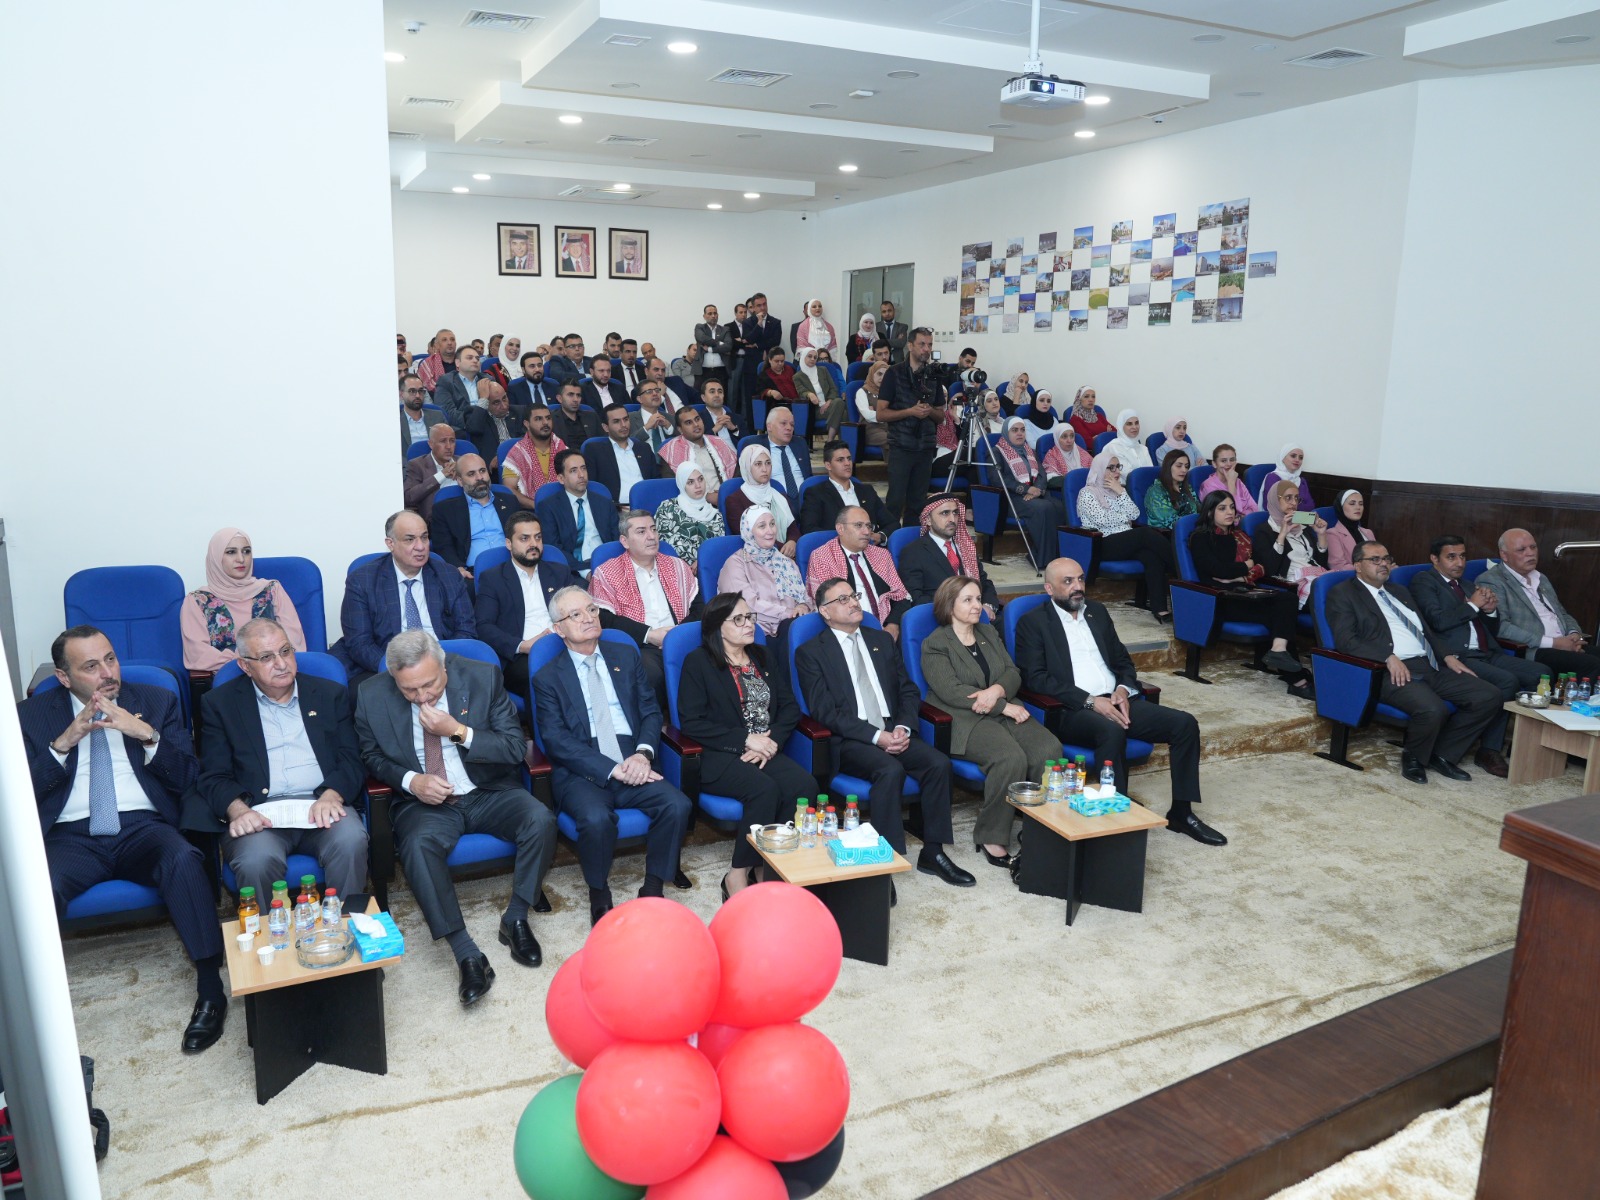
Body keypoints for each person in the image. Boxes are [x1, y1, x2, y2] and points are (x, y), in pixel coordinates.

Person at [19, 625, 228, 1053]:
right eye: (91, 666)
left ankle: (211, 991)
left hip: (142, 827)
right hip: (70, 836)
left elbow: (189, 778)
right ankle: (32, 1015)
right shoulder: (30, 716)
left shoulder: (156, 701)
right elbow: (18, 796)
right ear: (63, 677)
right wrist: (62, 744)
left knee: (183, 859)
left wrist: (145, 734)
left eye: (110, 659)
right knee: (33, 890)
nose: (107, 673)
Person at [355, 630, 557, 1003]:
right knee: (417, 846)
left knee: (540, 819)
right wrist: (411, 781)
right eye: (409, 690)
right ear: (394, 678)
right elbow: (371, 757)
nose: (422, 697)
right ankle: (466, 952)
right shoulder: (371, 695)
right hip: (424, 803)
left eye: (429, 685)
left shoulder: (483, 677)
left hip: (488, 790)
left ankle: (515, 917)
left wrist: (458, 731)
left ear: (444, 665)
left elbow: (514, 748)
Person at [1016, 559, 1226, 845]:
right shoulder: (1033, 622)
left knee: (1184, 724)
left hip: (1117, 700)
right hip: (1071, 709)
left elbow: (1122, 661)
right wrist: (1091, 701)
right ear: (1049, 588)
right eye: (1068, 581)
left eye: (1080, 579)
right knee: (1111, 729)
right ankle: (1115, 817)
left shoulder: (1098, 612)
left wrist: (1123, 690)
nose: (1078, 586)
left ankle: (1182, 812)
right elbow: (1036, 678)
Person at [798, 577, 976, 886]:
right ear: (824, 611)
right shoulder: (811, 652)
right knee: (890, 770)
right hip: (853, 739)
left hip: (894, 729)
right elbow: (825, 712)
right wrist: (875, 736)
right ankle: (884, 863)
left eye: (853, 596)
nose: (854, 602)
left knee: (938, 764)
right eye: (842, 599)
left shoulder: (880, 640)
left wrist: (903, 727)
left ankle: (933, 852)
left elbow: (908, 691)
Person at [534, 587, 692, 925]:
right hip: (582, 766)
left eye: (591, 609)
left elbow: (650, 712)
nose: (588, 618)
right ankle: (599, 891)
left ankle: (653, 888)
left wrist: (643, 754)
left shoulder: (625, 655)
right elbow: (557, 741)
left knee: (677, 805)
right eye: (575, 614)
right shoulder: (547, 677)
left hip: (632, 754)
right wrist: (612, 768)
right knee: (595, 819)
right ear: (559, 629)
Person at [196, 617, 368, 902]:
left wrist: (332, 794)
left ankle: (348, 922)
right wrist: (238, 810)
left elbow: (352, 758)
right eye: (266, 657)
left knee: (350, 840)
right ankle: (268, 930)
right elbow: (214, 774)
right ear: (245, 666)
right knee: (255, 860)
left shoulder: (329, 694)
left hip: (321, 804)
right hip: (259, 813)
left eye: (285, 651)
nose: (281, 663)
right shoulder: (220, 705)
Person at [676, 593, 817, 899]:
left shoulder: (761, 656)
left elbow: (790, 707)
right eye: (738, 619)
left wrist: (771, 741)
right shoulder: (698, 662)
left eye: (750, 617)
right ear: (717, 627)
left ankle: (769, 864)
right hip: (718, 753)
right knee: (763, 789)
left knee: (804, 786)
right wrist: (745, 739)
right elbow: (692, 723)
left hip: (764, 748)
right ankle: (737, 873)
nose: (748, 624)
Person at [1327, 543, 1502, 784]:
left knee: (1489, 695)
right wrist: (1386, 656)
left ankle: (1443, 755)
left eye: (1386, 558)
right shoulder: (1343, 593)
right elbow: (1346, 641)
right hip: (1387, 670)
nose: (1383, 564)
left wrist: (1447, 656)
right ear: (1357, 566)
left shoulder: (1399, 591)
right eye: (1375, 560)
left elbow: (1426, 631)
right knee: (1432, 709)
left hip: (1430, 663)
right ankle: (1414, 758)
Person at [921, 576, 1060, 866]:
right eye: (968, 600)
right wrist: (1003, 706)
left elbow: (1012, 672)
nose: (977, 606)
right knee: (1009, 758)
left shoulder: (987, 632)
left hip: (1003, 707)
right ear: (949, 605)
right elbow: (951, 691)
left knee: (1048, 750)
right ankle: (991, 835)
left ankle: (1038, 826)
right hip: (964, 718)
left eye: (978, 599)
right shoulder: (935, 643)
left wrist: (997, 691)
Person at [1411, 534, 1548, 778]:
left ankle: (1528, 744)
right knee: (1507, 681)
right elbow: (1437, 621)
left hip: (1487, 651)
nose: (1459, 563)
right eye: (1451, 557)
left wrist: (1490, 611)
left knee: (1541, 674)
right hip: (1458, 655)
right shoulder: (1425, 582)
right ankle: (1488, 750)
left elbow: (1490, 630)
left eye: (1463, 556)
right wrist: (1473, 605)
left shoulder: (1466, 585)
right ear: (1434, 559)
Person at [1188, 492, 1312, 697]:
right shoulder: (1200, 538)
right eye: (1222, 508)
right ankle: (1297, 678)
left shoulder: (1241, 536)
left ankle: (1279, 651)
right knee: (1278, 615)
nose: (1229, 512)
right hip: (1220, 598)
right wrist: (1246, 566)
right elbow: (1217, 571)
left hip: (1246, 592)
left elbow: (1263, 566)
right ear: (1210, 512)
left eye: (1231, 507)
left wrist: (1239, 575)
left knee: (1287, 599)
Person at [332, 510, 477, 685]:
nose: (420, 546)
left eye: (424, 537)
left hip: (441, 662)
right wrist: (397, 670)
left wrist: (437, 665)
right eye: (410, 539)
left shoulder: (448, 575)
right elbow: (359, 643)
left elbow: (466, 630)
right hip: (387, 664)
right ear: (390, 544)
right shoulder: (362, 580)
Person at [590, 511, 703, 705]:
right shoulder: (607, 572)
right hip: (640, 645)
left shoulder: (677, 565)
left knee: (713, 662)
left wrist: (678, 634)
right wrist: (649, 634)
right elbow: (604, 619)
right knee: (649, 672)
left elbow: (700, 607)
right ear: (625, 541)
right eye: (641, 532)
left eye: (653, 529)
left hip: (681, 636)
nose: (651, 536)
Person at [473, 511, 574, 704]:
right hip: (522, 655)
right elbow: (483, 626)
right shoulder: (493, 578)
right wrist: (522, 645)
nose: (533, 544)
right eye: (524, 538)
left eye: (538, 537)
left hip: (564, 644)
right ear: (509, 544)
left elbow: (577, 610)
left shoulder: (559, 572)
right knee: (547, 677)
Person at [181, 527, 307, 671]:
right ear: (216, 558)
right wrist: (244, 662)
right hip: (228, 676)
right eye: (231, 552)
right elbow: (198, 656)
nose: (241, 559)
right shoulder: (198, 600)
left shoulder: (272, 590)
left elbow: (294, 643)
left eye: (246, 551)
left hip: (277, 671)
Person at [1480, 528, 1600, 679]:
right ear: (1504, 555)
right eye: (1522, 550)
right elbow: (1502, 627)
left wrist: (1573, 634)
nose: (1530, 553)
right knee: (1592, 664)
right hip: (1534, 648)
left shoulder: (1540, 578)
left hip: (1564, 642)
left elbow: (1561, 613)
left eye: (1533, 547)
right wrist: (1554, 643)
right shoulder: (1492, 581)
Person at [1075, 448, 1175, 620]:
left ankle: (1159, 609)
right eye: (1111, 468)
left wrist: (1121, 492)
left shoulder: (1118, 490)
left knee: (1151, 556)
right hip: (1101, 543)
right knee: (1145, 534)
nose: (1117, 471)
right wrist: (1123, 517)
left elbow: (1134, 514)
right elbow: (1103, 520)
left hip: (1124, 541)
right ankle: (1181, 570)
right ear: (1100, 469)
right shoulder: (1087, 493)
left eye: (1118, 467)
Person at [876, 326, 946, 529]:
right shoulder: (894, 373)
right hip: (901, 446)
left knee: (918, 503)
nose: (927, 349)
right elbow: (881, 414)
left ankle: (911, 541)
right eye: (922, 344)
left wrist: (928, 411)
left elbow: (941, 416)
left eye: (930, 345)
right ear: (910, 346)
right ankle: (889, 540)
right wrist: (910, 411)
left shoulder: (933, 375)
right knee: (895, 500)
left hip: (925, 447)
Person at [805, 506, 911, 638]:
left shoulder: (881, 555)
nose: (867, 532)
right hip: (849, 630)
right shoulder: (822, 557)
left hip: (888, 628)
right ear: (840, 528)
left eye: (869, 526)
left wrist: (893, 625)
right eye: (858, 525)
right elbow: (830, 607)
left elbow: (901, 596)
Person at [897, 493, 999, 617]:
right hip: (941, 618)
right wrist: (958, 610)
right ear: (928, 520)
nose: (952, 519)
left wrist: (988, 606)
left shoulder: (965, 547)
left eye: (955, 513)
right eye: (945, 513)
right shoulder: (913, 552)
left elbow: (984, 582)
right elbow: (916, 597)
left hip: (978, 613)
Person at [719, 507, 813, 637]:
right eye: (762, 526)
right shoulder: (736, 564)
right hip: (758, 633)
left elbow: (805, 596)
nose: (770, 531)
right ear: (749, 531)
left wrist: (804, 606)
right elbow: (746, 607)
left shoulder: (786, 562)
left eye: (772, 524)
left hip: (792, 625)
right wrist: (789, 613)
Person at [995, 416, 1067, 571]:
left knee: (1060, 507)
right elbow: (999, 479)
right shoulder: (997, 452)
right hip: (1012, 497)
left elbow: (1042, 473)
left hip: (1036, 494)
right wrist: (1026, 489)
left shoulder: (1030, 451)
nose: (1020, 433)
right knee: (1043, 508)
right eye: (1015, 430)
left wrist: (1037, 490)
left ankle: (1056, 556)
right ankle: (1042, 559)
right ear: (1006, 432)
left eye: (1022, 430)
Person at [429, 454, 514, 575]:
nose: (479, 477)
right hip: (472, 573)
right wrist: (458, 568)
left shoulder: (509, 501)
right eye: (471, 474)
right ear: (460, 481)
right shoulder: (445, 510)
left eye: (482, 471)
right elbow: (444, 546)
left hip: (513, 567)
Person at [535, 449, 617, 575]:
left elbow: (616, 540)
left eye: (583, 468)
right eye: (573, 471)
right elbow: (554, 548)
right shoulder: (548, 507)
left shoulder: (605, 503)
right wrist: (585, 572)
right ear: (561, 478)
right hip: (572, 570)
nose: (581, 475)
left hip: (608, 565)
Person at [1254, 480, 1330, 608]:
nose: (1294, 503)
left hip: (1315, 577)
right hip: (1292, 585)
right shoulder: (1264, 530)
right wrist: (1282, 534)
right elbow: (1269, 570)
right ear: (1275, 499)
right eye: (1288, 498)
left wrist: (1321, 535)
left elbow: (1321, 564)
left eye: (1296, 498)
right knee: (1334, 598)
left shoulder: (1302, 527)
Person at [799, 441, 892, 537]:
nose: (847, 463)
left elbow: (892, 523)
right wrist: (844, 540)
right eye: (840, 460)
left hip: (870, 544)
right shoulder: (816, 493)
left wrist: (880, 536)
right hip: (835, 545)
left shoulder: (867, 491)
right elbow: (808, 529)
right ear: (828, 465)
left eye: (849, 459)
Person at [725, 444, 797, 556]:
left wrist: (792, 542)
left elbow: (793, 529)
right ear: (747, 467)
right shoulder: (734, 501)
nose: (764, 469)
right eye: (758, 464)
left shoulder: (780, 496)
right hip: (756, 558)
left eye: (768, 463)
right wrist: (783, 549)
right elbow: (749, 537)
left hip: (787, 554)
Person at [654, 463, 725, 569]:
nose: (698, 486)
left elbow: (717, 547)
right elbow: (664, 542)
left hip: (708, 567)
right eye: (690, 482)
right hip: (676, 567)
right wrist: (693, 563)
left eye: (700, 479)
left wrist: (701, 562)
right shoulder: (667, 508)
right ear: (682, 484)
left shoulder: (715, 514)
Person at [585, 402, 657, 506]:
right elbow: (592, 486)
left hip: (647, 506)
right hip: (615, 508)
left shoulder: (644, 448)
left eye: (626, 419)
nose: (623, 425)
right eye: (616, 421)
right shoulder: (595, 450)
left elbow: (655, 481)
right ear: (605, 427)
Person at [501, 405, 567, 509]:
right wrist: (537, 506)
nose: (545, 422)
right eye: (538, 419)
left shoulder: (562, 449)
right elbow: (509, 489)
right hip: (532, 511)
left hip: (564, 507)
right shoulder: (518, 453)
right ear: (527, 424)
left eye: (548, 418)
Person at [658, 406, 738, 484]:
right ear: (680, 429)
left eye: (697, 419)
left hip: (723, 491)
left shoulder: (718, 442)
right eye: (689, 422)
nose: (696, 424)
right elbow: (671, 485)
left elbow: (736, 473)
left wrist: (724, 491)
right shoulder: (671, 452)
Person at [463, 381, 527, 471]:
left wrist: (505, 455)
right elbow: (473, 429)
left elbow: (527, 439)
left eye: (504, 398)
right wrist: (483, 399)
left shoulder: (520, 412)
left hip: (522, 462)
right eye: (496, 403)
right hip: (495, 470)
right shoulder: (477, 414)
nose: (504, 406)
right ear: (486, 403)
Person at [754, 406, 812, 502]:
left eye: (792, 425)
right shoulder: (756, 446)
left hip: (805, 500)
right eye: (783, 423)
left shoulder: (800, 443)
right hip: (772, 501)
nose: (789, 428)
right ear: (769, 426)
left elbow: (808, 476)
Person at [403, 423, 458, 522]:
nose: (449, 446)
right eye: (443, 441)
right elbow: (409, 497)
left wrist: (462, 475)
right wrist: (442, 475)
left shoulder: (463, 462)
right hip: (435, 521)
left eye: (452, 441)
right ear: (431, 444)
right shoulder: (417, 465)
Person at [1197, 443, 1260, 517]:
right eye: (1223, 461)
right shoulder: (1208, 486)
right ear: (1214, 464)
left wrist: (1241, 517)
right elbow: (1228, 514)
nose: (1229, 464)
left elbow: (1254, 508)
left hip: (1245, 522)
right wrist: (1231, 483)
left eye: (1232, 460)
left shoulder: (1238, 482)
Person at [741, 293, 783, 401]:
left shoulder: (775, 322)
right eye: (759, 305)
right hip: (751, 364)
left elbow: (775, 341)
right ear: (753, 308)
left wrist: (757, 345)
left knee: (769, 395)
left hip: (769, 365)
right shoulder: (747, 323)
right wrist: (759, 324)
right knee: (751, 396)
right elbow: (748, 339)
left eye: (764, 304)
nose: (763, 308)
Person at [1142, 449, 1198, 531]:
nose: (1184, 470)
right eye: (1179, 466)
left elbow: (1197, 508)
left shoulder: (1186, 487)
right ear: (1168, 467)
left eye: (1186, 466)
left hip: (1190, 529)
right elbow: (1171, 522)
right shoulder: (1156, 491)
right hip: (1166, 534)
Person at [794, 347, 845, 433]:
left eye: (815, 357)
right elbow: (801, 392)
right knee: (843, 411)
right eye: (809, 356)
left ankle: (830, 436)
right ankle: (835, 438)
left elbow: (833, 389)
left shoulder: (823, 370)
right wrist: (809, 394)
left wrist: (828, 402)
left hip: (830, 405)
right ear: (803, 357)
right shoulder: (797, 377)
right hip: (816, 410)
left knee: (839, 403)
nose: (812, 359)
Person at [432, 344, 482, 427]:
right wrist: (474, 419)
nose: (475, 360)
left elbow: (497, 408)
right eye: (469, 358)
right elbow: (447, 413)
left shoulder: (487, 379)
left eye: (477, 358)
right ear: (457, 363)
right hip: (462, 428)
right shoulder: (446, 381)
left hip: (488, 427)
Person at [1326, 489, 1375, 572]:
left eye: (1361, 504)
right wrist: (1368, 568)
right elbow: (1338, 566)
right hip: (1352, 577)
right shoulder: (1333, 533)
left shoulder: (1368, 532)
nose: (1358, 507)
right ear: (1341, 507)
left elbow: (1378, 557)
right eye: (1352, 503)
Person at [400, 372, 447, 457]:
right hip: (407, 464)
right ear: (401, 394)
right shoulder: (395, 421)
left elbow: (448, 445)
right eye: (412, 391)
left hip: (436, 462)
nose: (418, 395)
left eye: (421, 391)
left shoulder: (437, 417)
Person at [1259, 443, 1313, 510]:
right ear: (1283, 458)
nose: (1297, 460)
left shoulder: (1301, 481)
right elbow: (1275, 506)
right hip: (1278, 516)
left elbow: (1310, 505)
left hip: (1299, 516)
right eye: (1293, 456)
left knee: (1317, 516)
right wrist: (1300, 507)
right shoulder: (1272, 478)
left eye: (1301, 458)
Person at [550, 380, 602, 449]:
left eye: (578, 395)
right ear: (560, 399)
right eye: (570, 395)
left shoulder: (592, 417)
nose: (576, 399)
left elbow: (602, 443)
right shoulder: (551, 420)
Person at [631, 380, 677, 456]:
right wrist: (646, 427)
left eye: (657, 390)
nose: (655, 394)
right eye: (649, 392)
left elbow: (681, 442)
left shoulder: (670, 418)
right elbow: (627, 443)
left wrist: (669, 428)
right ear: (640, 399)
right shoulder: (630, 418)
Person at [1043, 418, 1091, 486]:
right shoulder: (1052, 455)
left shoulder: (1081, 452)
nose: (1069, 440)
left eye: (1072, 436)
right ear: (1057, 439)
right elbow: (1051, 480)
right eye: (1064, 437)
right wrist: (1075, 479)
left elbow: (1095, 471)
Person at [699, 377, 741, 456]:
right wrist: (714, 430)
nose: (717, 395)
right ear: (703, 398)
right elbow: (697, 444)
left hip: (738, 458)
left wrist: (734, 429)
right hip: (714, 460)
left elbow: (747, 442)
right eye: (712, 392)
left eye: (720, 392)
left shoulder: (736, 418)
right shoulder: (698, 420)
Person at [855, 360, 890, 451]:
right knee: (892, 439)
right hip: (870, 430)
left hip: (889, 427)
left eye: (886, 375)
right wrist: (887, 414)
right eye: (879, 374)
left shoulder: (889, 392)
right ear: (872, 374)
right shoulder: (862, 392)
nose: (882, 378)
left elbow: (898, 409)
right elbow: (867, 415)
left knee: (906, 438)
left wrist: (876, 412)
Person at [695, 304, 732, 390]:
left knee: (722, 395)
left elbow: (728, 346)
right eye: (710, 313)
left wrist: (710, 349)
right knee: (701, 395)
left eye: (715, 313)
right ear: (704, 316)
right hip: (703, 370)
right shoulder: (700, 327)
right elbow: (702, 338)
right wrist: (719, 343)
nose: (713, 316)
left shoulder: (725, 329)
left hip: (721, 370)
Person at [1106, 409, 1154, 474]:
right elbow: (1128, 475)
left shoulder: (1143, 448)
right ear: (1121, 426)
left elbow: (1151, 472)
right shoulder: (1115, 447)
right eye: (1129, 424)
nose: (1134, 427)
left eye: (1136, 423)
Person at [416, 327, 456, 394]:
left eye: (452, 339)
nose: (449, 343)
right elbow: (424, 389)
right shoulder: (427, 364)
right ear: (437, 345)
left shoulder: (463, 362)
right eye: (444, 340)